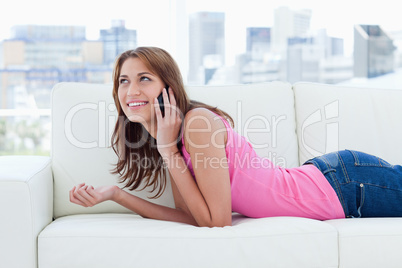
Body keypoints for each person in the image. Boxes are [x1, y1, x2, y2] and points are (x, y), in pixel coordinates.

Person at [70, 47, 402, 227]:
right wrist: (116, 194)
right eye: (123, 81)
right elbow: (193, 216)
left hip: (343, 186)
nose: (131, 90)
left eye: (144, 78)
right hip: (332, 181)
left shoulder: (196, 126)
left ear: (168, 87)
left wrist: (168, 150)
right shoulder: (170, 142)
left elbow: (216, 222)